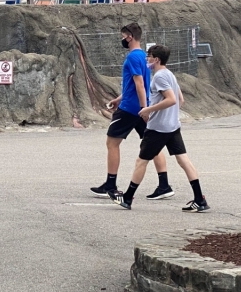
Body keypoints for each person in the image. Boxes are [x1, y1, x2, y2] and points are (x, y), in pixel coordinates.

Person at [112, 44, 210, 212]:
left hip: (158, 128)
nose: (147, 59)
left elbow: (171, 99)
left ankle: (127, 198)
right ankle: (199, 200)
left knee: (141, 161)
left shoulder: (159, 77)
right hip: (172, 126)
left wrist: (148, 110)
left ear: (156, 59)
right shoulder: (170, 75)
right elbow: (180, 100)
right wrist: (169, 115)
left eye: (149, 57)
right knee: (183, 160)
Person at [90, 23, 170, 199]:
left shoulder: (133, 57)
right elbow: (135, 85)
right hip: (140, 105)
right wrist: (119, 99)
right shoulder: (144, 56)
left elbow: (139, 84)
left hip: (131, 109)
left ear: (130, 37)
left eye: (123, 36)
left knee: (112, 143)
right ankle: (164, 185)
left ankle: (110, 185)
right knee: (152, 144)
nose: (122, 39)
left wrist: (142, 109)